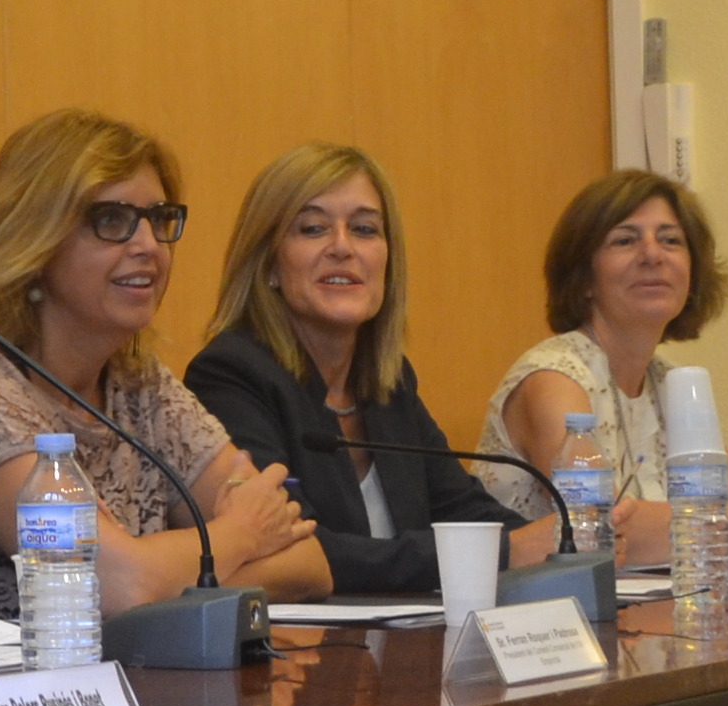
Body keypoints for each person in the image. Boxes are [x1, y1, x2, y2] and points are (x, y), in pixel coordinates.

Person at [0, 109, 328, 622]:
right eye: (112, 221)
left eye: (158, 219)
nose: (149, 246)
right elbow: (114, 586)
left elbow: (309, 564)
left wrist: (161, 577)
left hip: (110, 670)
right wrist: (241, 534)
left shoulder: (139, 382)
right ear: (34, 239)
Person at [182, 143, 530, 598]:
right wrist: (503, 552)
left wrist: (562, 540)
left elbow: (463, 509)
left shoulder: (389, 382)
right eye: (313, 229)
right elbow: (301, 546)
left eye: (364, 229)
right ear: (268, 263)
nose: (342, 247)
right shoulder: (232, 375)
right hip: (298, 641)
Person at [475, 168, 728, 563]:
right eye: (625, 240)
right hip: (543, 602)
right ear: (584, 278)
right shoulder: (553, 379)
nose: (652, 255)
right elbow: (603, 531)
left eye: (670, 240)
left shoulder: (669, 383)